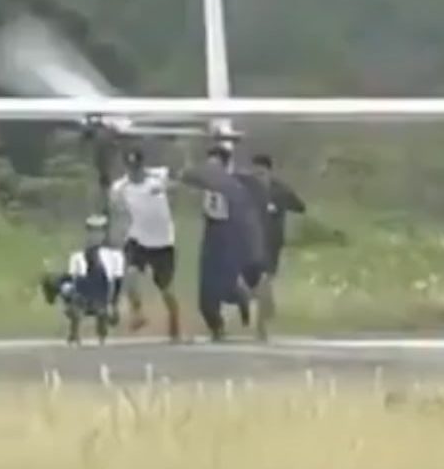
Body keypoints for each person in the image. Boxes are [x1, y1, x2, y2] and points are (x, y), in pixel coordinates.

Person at [179, 145, 264, 342]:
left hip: (228, 235)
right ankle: (216, 327)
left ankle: (241, 296)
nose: (210, 170)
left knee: (224, 286)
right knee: (205, 292)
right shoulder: (205, 181)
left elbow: (244, 215)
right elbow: (187, 176)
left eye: (215, 165)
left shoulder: (233, 185)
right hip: (211, 233)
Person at [108, 149, 181, 341]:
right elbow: (116, 208)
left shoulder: (158, 176)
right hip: (138, 238)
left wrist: (171, 186)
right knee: (130, 275)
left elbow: (177, 179)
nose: (135, 173)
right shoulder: (120, 187)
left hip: (164, 242)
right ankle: (137, 313)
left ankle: (175, 323)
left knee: (167, 289)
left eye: (138, 169)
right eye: (131, 169)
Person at [237, 153, 305, 335]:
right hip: (249, 242)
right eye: (255, 173)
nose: (257, 176)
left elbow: (300, 207)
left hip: (272, 242)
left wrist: (280, 206)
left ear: (268, 171)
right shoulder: (246, 189)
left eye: (261, 173)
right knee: (253, 284)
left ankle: (261, 326)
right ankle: (264, 308)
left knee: (265, 281)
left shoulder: (280, 190)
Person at [40, 215, 124, 346]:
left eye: (98, 231)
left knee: (81, 283)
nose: (95, 235)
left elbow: (117, 281)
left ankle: (100, 326)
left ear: (104, 234)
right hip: (81, 295)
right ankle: (74, 329)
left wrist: (114, 305)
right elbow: (72, 278)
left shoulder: (114, 256)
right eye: (92, 231)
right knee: (64, 283)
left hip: (101, 294)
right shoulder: (77, 256)